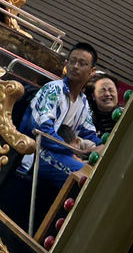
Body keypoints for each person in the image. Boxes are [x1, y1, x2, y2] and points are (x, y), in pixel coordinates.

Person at [19, 42, 103, 185]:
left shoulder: (83, 103)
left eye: (82, 63)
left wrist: (101, 148)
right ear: (66, 64)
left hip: (61, 154)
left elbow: (89, 136)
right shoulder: (53, 89)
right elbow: (43, 133)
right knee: (85, 178)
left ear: (92, 71)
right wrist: (72, 152)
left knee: (97, 174)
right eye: (72, 61)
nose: (75, 66)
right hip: (36, 154)